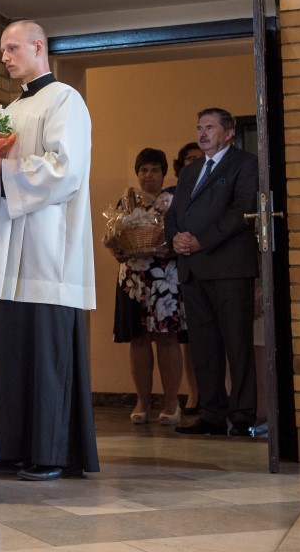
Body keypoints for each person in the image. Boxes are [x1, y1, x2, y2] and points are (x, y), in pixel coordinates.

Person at [0, 20, 99, 481]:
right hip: (7, 248)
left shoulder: (65, 99)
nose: (5, 57)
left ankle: (51, 453)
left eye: (12, 48)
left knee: (45, 356)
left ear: (37, 46)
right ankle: (9, 446)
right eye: (3, 50)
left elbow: (66, 169)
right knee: (8, 352)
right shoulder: (11, 108)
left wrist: (3, 169)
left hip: (47, 249)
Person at [165, 108, 258, 437]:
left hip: (229, 268)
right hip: (193, 270)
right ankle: (213, 414)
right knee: (204, 347)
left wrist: (201, 240)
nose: (202, 133)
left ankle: (243, 415)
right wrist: (175, 237)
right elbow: (174, 214)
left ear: (229, 133)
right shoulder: (190, 172)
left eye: (210, 127)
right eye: (199, 127)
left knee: (237, 343)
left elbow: (242, 210)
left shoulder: (245, 164)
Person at [109, 148, 184, 427]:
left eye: (154, 170)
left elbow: (181, 236)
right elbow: (114, 237)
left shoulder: (174, 200)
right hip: (132, 279)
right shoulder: (127, 202)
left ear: (164, 173)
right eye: (143, 170)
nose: (148, 175)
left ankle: (172, 402)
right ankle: (142, 401)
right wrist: (115, 249)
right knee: (138, 339)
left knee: (166, 338)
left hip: (165, 277)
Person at [170, 141, 204, 415]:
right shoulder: (171, 193)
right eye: (189, 159)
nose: (193, 163)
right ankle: (193, 393)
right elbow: (170, 224)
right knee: (188, 338)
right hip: (178, 272)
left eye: (198, 158)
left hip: (207, 264)